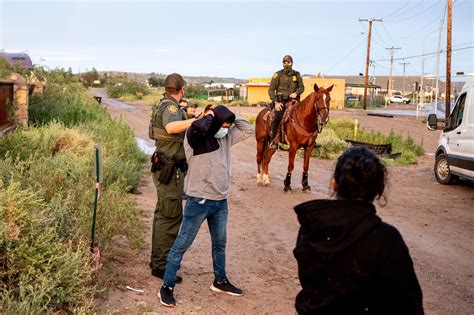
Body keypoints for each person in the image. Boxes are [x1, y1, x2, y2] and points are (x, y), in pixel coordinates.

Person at [293, 146, 424, 315]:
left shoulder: (310, 228)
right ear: (379, 190)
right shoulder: (386, 240)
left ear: (334, 184)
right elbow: (410, 306)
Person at [158, 105, 254, 308]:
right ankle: (166, 287)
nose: (225, 127)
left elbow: (247, 129)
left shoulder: (226, 138)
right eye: (221, 122)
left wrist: (229, 114)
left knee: (220, 244)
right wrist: (209, 115)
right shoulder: (195, 138)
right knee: (181, 245)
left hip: (220, 201)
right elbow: (198, 127)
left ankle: (220, 281)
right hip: (198, 201)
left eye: (226, 124)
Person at [149, 73, 197, 282]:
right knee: (170, 218)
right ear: (182, 89)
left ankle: (157, 260)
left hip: (166, 168)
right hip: (170, 170)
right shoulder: (170, 108)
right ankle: (161, 267)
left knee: (163, 216)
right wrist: (195, 120)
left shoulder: (164, 105)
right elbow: (170, 128)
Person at [268, 54, 304, 148]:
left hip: (294, 100)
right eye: (284, 62)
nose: (286, 64)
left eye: (288, 62)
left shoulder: (297, 74)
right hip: (281, 101)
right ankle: (274, 140)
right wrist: (276, 102)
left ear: (292, 63)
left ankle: (309, 138)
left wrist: (296, 93)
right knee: (278, 117)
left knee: (305, 114)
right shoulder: (278, 74)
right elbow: (271, 90)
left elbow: (301, 87)